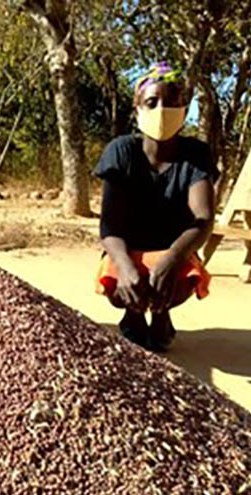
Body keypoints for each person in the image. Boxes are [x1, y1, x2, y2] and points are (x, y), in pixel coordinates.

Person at [94, 63, 216, 352]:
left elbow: (203, 219)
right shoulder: (120, 151)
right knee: (116, 273)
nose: (162, 109)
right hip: (128, 248)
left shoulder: (196, 155)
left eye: (172, 102)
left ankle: (161, 314)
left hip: (174, 249)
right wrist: (125, 267)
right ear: (138, 109)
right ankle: (133, 315)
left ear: (184, 110)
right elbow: (109, 225)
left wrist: (173, 258)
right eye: (152, 102)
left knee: (182, 275)